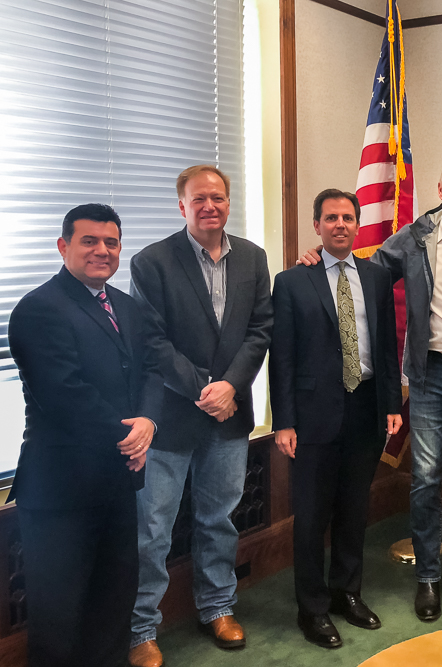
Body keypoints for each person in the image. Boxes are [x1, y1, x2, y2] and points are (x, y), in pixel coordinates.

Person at [299, 157, 442, 622]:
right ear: (441, 190)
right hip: (428, 377)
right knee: (424, 478)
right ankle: (428, 577)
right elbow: (367, 271)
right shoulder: (415, 238)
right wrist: (318, 261)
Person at [127, 165, 273, 667]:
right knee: (153, 530)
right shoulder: (151, 262)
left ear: (229, 203)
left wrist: (231, 386)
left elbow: (260, 329)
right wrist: (204, 391)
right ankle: (140, 629)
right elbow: (151, 341)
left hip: (229, 417)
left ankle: (217, 607)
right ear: (182, 206)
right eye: (199, 199)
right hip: (170, 419)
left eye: (218, 197)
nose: (209, 206)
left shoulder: (253, 258)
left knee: (219, 520)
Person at [8, 204, 161, 667]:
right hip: (60, 491)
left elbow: (151, 370)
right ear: (63, 246)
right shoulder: (38, 309)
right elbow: (64, 394)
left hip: (117, 483)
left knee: (114, 603)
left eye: (110, 242)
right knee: (60, 616)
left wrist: (149, 422)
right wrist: (129, 438)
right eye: (89, 241)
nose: (102, 251)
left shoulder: (126, 306)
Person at [269, 189, 402, 648]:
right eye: (331, 218)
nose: (340, 224)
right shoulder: (291, 281)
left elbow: (387, 348)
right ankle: (313, 608)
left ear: (358, 224)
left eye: (348, 217)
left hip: (366, 409)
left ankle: (348, 592)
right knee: (309, 518)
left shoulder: (378, 277)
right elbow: (281, 357)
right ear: (317, 225)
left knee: (353, 510)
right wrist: (283, 421)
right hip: (311, 417)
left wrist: (391, 406)